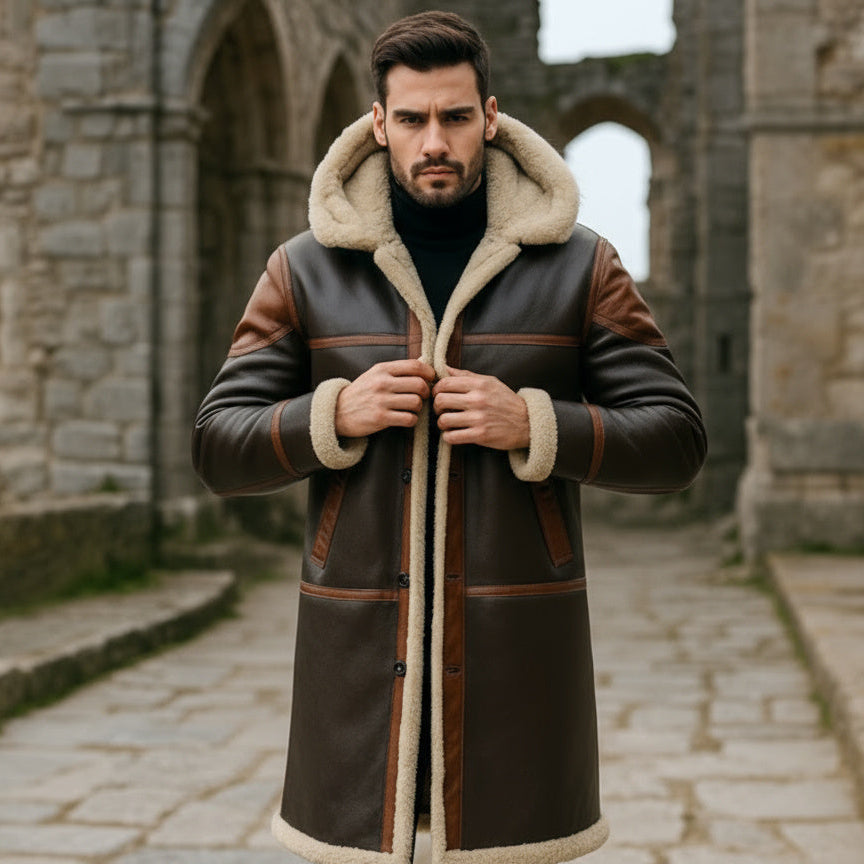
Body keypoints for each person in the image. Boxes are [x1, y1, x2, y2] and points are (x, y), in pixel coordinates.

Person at [192, 10, 706, 864]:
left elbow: (677, 440)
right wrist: (333, 415)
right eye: (413, 118)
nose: (436, 140)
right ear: (378, 123)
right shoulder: (304, 267)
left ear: (491, 115)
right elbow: (217, 445)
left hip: (517, 659)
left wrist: (534, 422)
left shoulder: (584, 265)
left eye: (456, 117)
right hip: (356, 661)